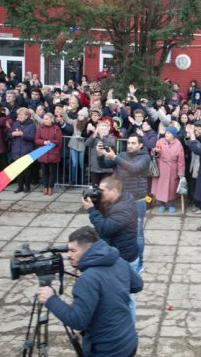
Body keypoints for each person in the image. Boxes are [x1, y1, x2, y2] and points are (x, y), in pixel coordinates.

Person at [37, 226, 143, 357]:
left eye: (72, 250)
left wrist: (51, 299)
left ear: (88, 249)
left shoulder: (88, 279)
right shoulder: (118, 260)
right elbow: (137, 285)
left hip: (107, 350)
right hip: (128, 341)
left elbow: (77, 321)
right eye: (67, 250)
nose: (68, 255)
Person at [82, 176, 140, 319]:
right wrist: (95, 201)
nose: (99, 193)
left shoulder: (123, 209)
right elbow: (105, 215)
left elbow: (105, 228)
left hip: (124, 258)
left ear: (114, 191)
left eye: (102, 191)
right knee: (115, 295)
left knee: (126, 297)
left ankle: (129, 328)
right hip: (117, 253)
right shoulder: (117, 199)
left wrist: (91, 210)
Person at [99, 135, 151, 199]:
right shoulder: (122, 155)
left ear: (140, 145)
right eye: (128, 143)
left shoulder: (145, 157)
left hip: (137, 197)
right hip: (121, 194)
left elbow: (134, 168)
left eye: (133, 143)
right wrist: (100, 155)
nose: (130, 145)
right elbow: (104, 165)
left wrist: (114, 157)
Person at [151, 126, 185, 213]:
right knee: (160, 187)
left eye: (169, 133)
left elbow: (181, 159)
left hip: (172, 168)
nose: (166, 134)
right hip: (161, 167)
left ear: (173, 135)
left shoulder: (178, 144)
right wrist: (155, 152)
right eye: (166, 132)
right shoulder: (161, 142)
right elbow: (155, 154)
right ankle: (161, 204)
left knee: (171, 188)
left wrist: (181, 172)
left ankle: (171, 204)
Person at [35, 112, 63, 196]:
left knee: (52, 172)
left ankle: (51, 187)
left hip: (53, 153)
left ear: (51, 119)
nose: (45, 120)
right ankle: (45, 187)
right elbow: (36, 139)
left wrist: (50, 142)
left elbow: (58, 141)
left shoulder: (56, 128)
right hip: (43, 153)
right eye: (44, 119)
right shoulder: (40, 128)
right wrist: (43, 142)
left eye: (47, 119)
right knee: (44, 172)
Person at [10, 107, 36, 193]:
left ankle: (27, 186)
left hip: (26, 150)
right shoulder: (15, 124)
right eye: (18, 115)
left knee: (27, 170)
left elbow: (32, 137)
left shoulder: (31, 125)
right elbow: (9, 134)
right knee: (18, 170)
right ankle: (20, 186)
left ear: (26, 116)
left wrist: (23, 134)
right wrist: (12, 134)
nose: (19, 116)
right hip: (16, 149)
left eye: (21, 115)